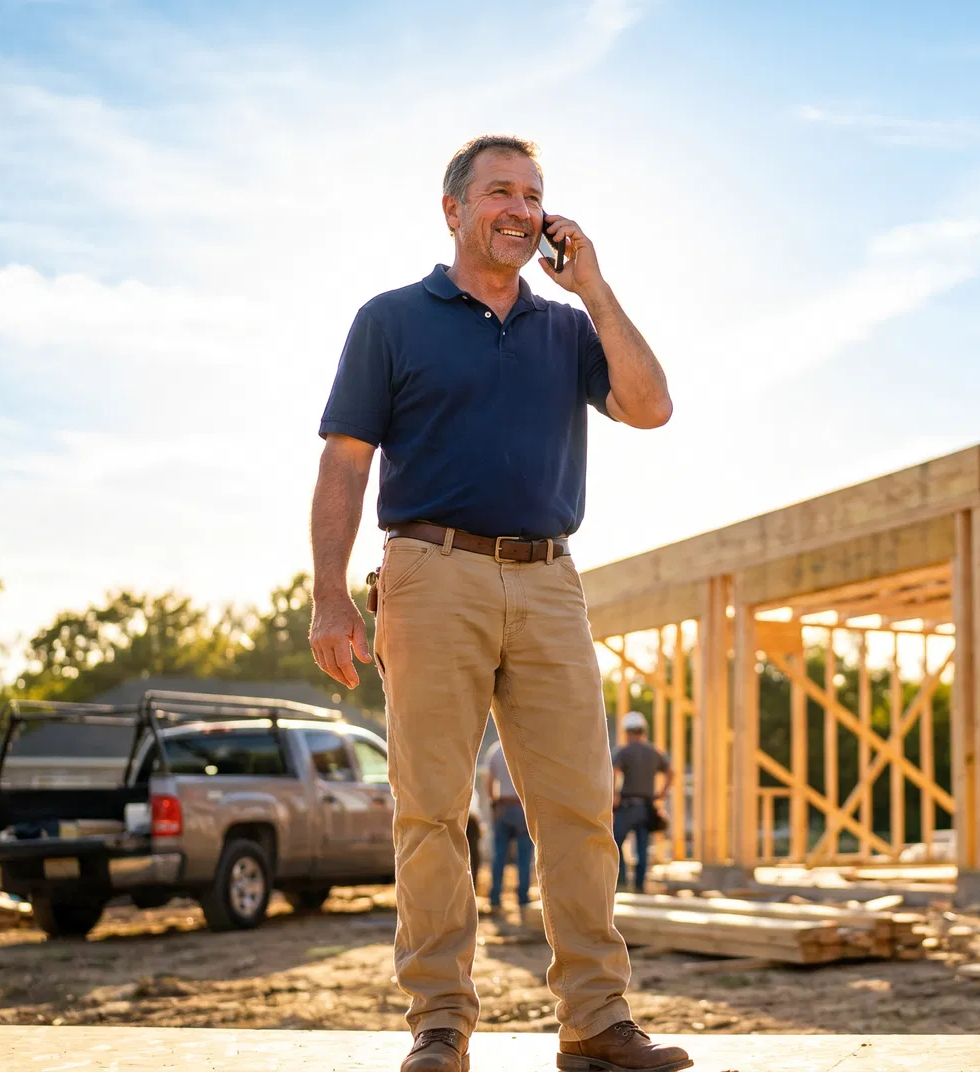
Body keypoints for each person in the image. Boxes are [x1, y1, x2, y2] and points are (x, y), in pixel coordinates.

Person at [307, 134, 689, 1072]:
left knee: (579, 809)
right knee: (431, 807)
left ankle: (595, 1022)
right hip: (430, 573)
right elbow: (345, 461)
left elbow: (652, 407)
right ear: (455, 210)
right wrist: (329, 596)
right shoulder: (392, 319)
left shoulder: (567, 330)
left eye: (535, 194)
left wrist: (592, 286)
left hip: (553, 579)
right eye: (500, 192)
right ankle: (441, 1022)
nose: (520, 208)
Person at [609, 712, 673, 892]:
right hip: (646, 807)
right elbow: (670, 773)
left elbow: (614, 771)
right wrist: (662, 793)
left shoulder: (624, 751)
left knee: (615, 842)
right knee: (643, 847)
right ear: (643, 730)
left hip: (628, 806)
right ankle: (639, 885)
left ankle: (621, 882)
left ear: (627, 731)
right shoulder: (654, 752)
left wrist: (614, 795)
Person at [482, 737, 534, 914]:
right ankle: (523, 898)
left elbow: (489, 780)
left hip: (503, 806)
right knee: (524, 857)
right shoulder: (526, 748)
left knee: (499, 855)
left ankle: (495, 897)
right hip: (522, 807)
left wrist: (493, 803)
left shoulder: (496, 750)